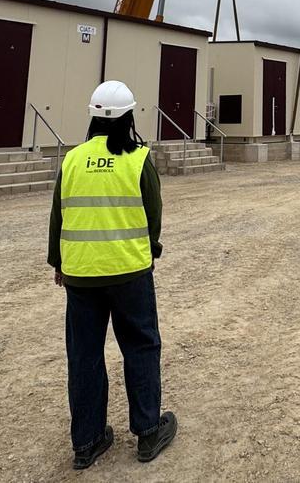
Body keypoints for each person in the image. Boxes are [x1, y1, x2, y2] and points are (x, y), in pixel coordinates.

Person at [47, 80, 178, 470]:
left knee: (84, 354)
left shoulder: (72, 159)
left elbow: (59, 214)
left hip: (81, 275)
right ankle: (148, 431)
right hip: (130, 273)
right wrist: (149, 250)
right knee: (140, 346)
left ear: (92, 116)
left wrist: (58, 262)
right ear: (130, 116)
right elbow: (153, 213)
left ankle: (87, 441)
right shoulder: (138, 159)